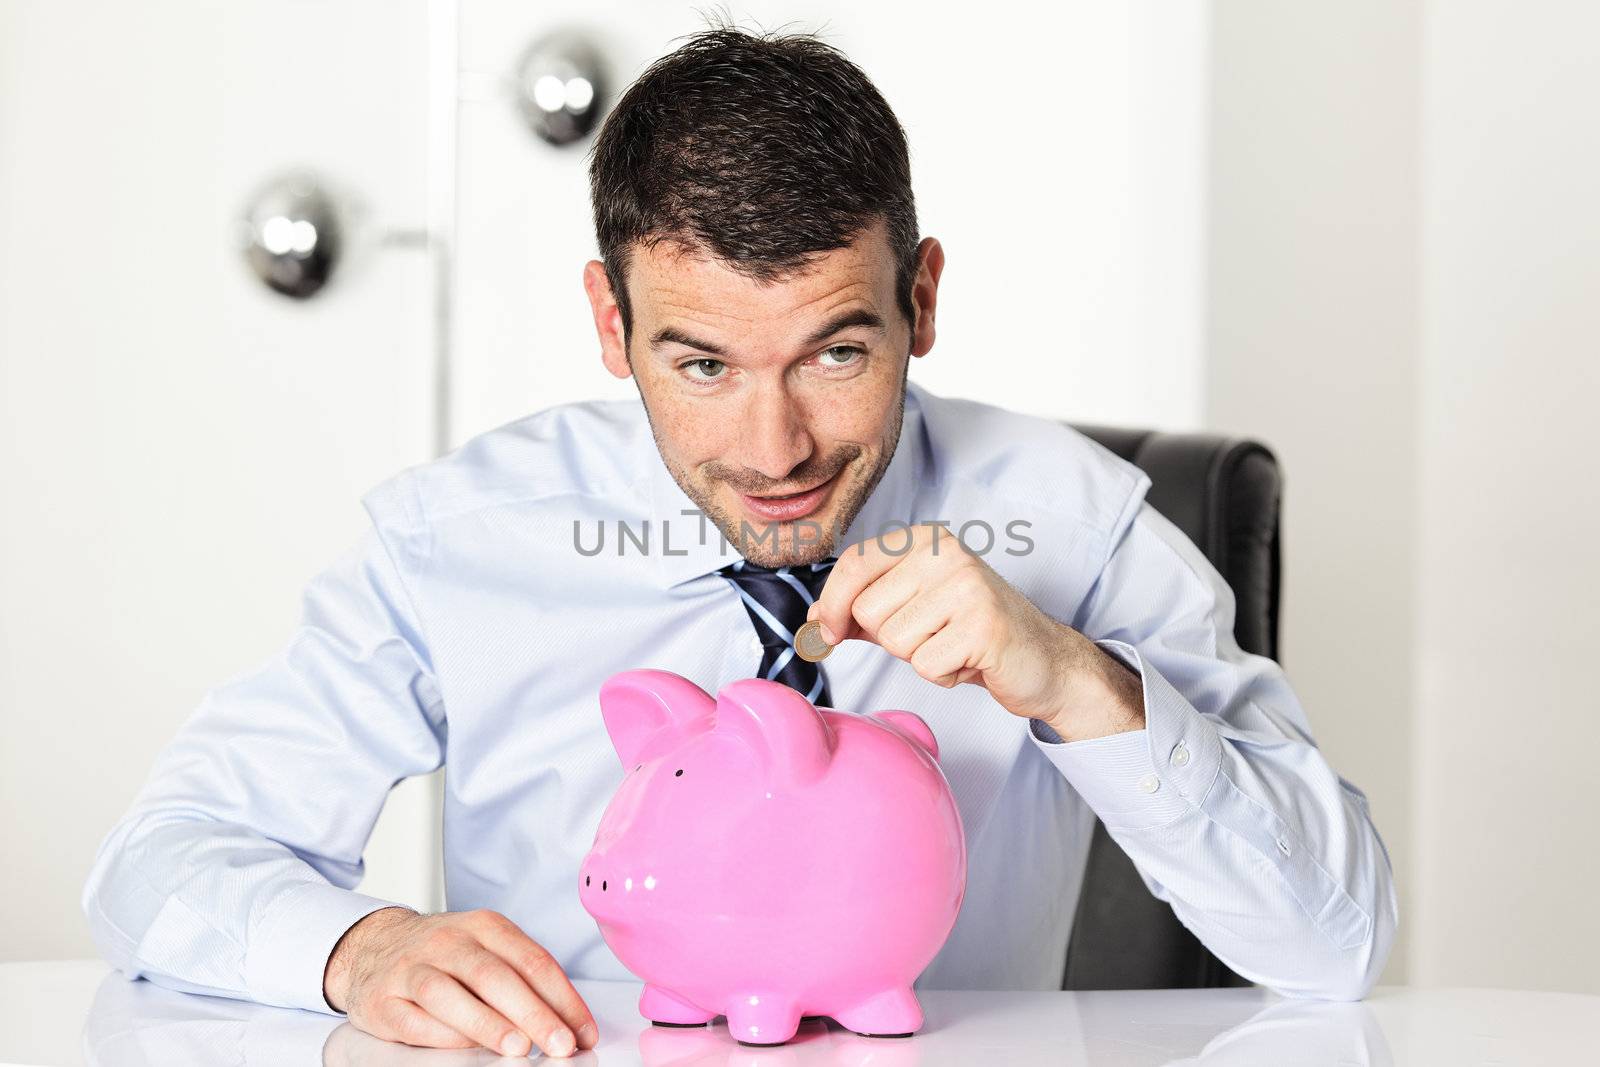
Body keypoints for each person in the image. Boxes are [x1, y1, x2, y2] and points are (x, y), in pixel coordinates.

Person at [82, 26, 1397, 1060]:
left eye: (837, 353)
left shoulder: (1081, 520)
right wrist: (354, 952)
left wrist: (1080, 684)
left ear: (920, 298)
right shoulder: (457, 541)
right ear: (611, 324)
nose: (775, 451)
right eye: (701, 363)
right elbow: (163, 855)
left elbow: (1336, 946)